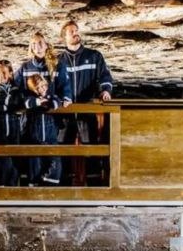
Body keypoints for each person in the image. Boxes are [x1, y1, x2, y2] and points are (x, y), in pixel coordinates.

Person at [56, 20, 112, 185]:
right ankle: (63, 185)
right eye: (71, 31)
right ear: (64, 38)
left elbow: (104, 77)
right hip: (63, 113)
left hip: (86, 111)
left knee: (91, 148)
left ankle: (94, 185)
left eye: (77, 30)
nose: (75, 33)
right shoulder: (58, 61)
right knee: (62, 148)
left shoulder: (94, 56)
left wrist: (106, 90)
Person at [22, 74, 62, 186]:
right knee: (35, 161)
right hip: (35, 137)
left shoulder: (52, 96)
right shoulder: (31, 98)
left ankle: (50, 182)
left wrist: (49, 103)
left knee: (55, 160)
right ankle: (34, 184)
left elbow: (57, 103)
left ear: (46, 85)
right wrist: (39, 102)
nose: (41, 89)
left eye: (42, 86)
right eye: (37, 88)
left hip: (50, 137)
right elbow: (26, 103)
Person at [13, 33, 70, 104]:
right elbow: (14, 84)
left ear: (46, 45)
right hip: (32, 111)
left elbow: (65, 85)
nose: (37, 47)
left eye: (40, 43)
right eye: (34, 44)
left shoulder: (58, 65)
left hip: (52, 111)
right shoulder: (25, 67)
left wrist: (66, 98)